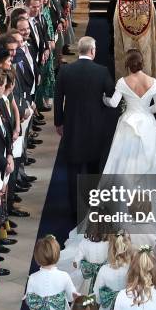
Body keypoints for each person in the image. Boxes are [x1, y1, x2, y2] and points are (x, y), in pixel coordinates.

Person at [54, 36, 115, 212]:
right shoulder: (102, 71)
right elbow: (111, 94)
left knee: (73, 171)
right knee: (94, 168)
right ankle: (93, 206)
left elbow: (58, 99)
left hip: (72, 128)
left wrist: (59, 122)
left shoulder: (65, 71)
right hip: (96, 128)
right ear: (93, 51)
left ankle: (75, 210)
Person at [103, 49, 156, 174]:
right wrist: (146, 111)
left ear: (127, 64)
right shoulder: (154, 82)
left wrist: (104, 99)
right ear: (142, 62)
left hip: (128, 122)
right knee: (151, 155)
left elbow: (113, 103)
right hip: (147, 121)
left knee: (125, 157)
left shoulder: (122, 82)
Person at [93, 230, 132, 310]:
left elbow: (97, 295)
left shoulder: (103, 270)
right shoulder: (132, 269)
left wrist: (102, 300)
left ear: (110, 249)